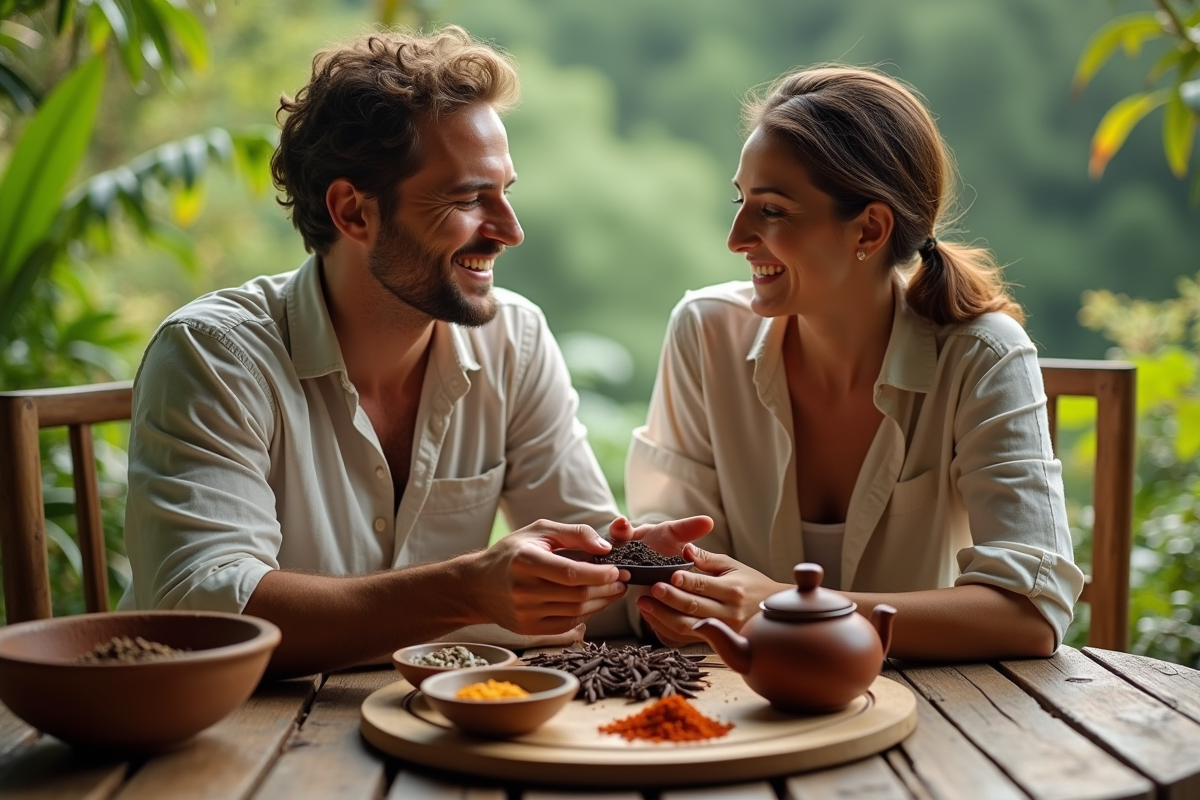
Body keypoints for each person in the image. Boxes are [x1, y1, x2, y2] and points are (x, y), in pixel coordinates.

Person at [121, 26, 711, 679]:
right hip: (234, 741)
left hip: (435, 725)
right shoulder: (215, 356)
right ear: (353, 212)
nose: (509, 231)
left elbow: (575, 573)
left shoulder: (513, 341)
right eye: (466, 200)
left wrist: (638, 580)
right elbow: (208, 613)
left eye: (505, 192)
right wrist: (466, 590)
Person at [622, 65, 1084, 661]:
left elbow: (1030, 614)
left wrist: (781, 607)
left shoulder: (984, 355)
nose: (736, 236)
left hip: (942, 720)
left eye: (772, 211)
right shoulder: (705, 332)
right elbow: (675, 568)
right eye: (741, 202)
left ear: (869, 227)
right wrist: (655, 581)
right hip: (738, 705)